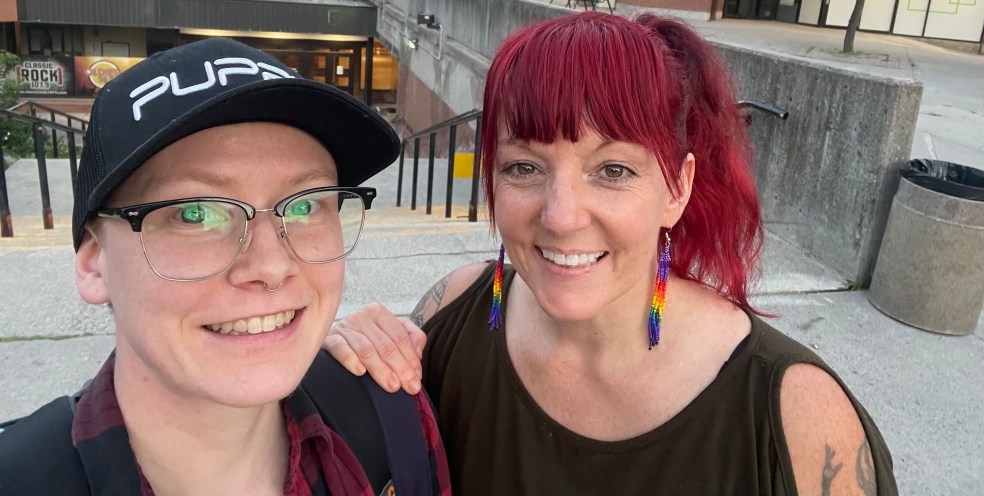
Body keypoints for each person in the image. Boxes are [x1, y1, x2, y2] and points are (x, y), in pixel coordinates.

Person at [325, 12, 896, 496]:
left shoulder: (794, 420)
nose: (561, 216)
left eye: (613, 170)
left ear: (677, 188)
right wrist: (333, 374)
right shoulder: (451, 316)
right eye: (524, 166)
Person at [0, 38, 449, 496]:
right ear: (94, 263)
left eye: (304, 205)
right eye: (196, 213)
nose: (272, 267)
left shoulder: (393, 419)